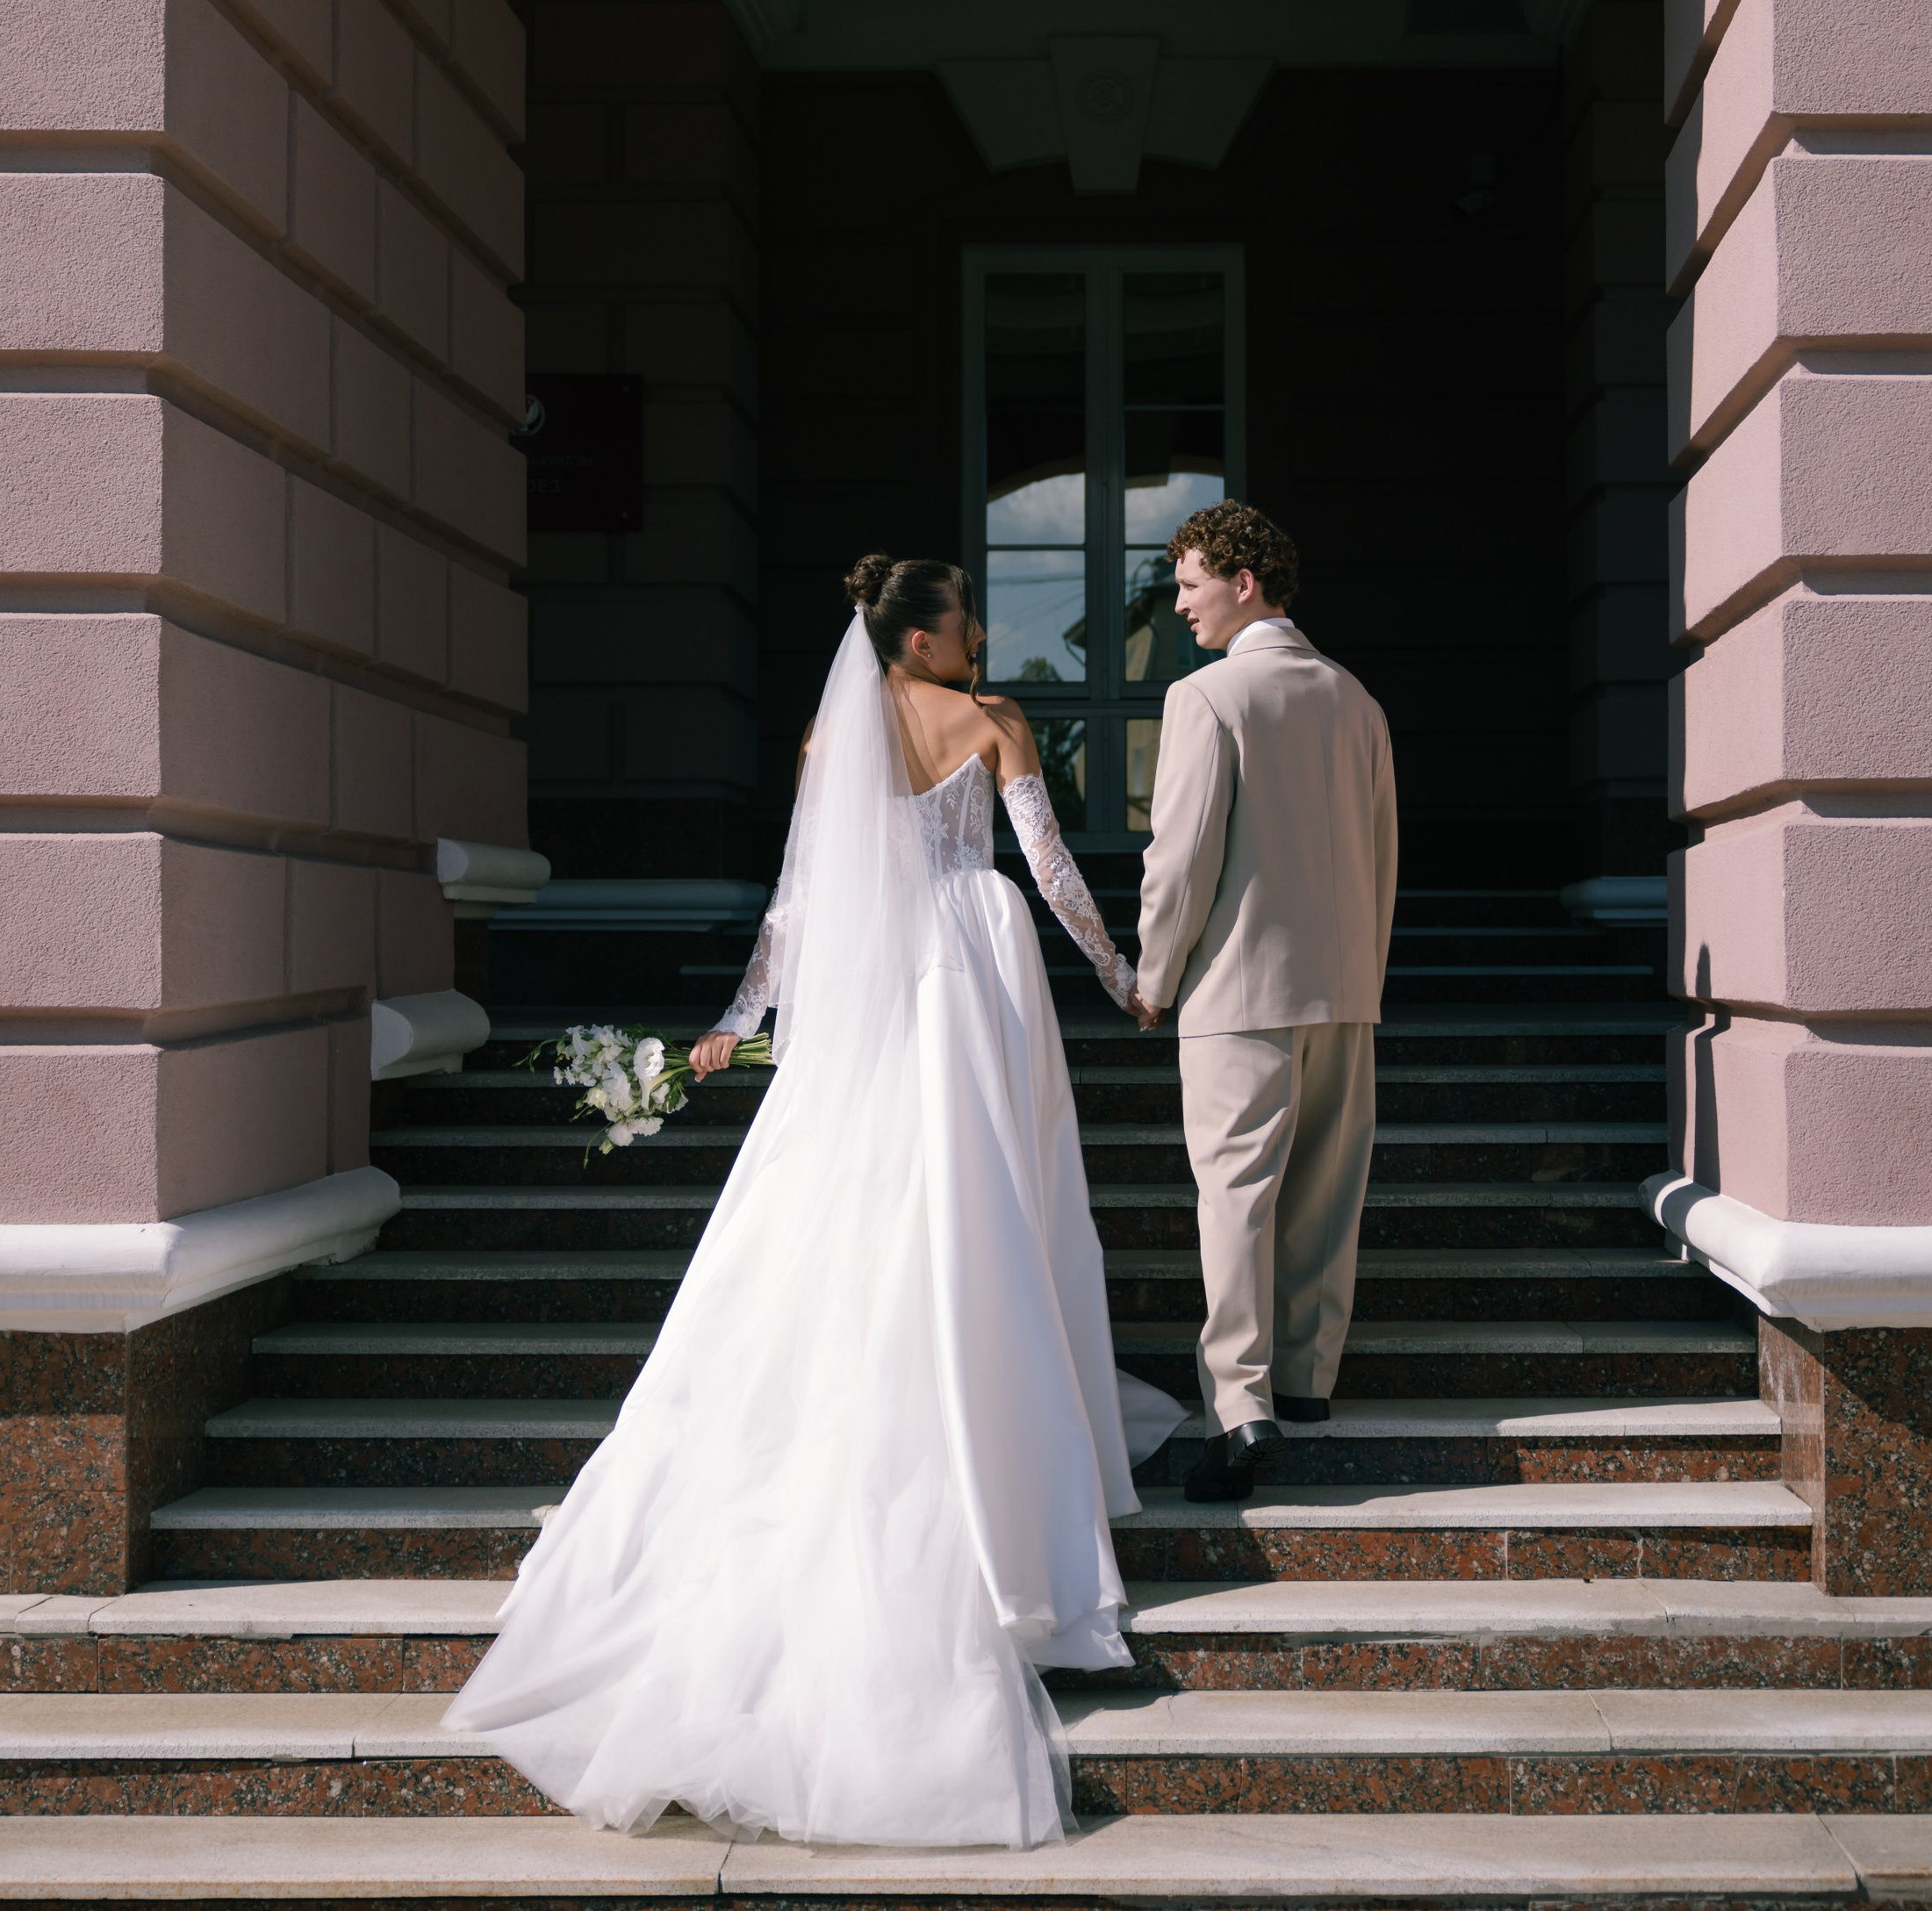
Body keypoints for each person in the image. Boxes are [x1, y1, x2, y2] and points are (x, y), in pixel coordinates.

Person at [447, 553, 1184, 1850]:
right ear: (918, 637)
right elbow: (1053, 870)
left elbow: (794, 905)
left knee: (869, 1203)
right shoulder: (995, 722)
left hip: (873, 994)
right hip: (973, 972)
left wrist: (737, 1020)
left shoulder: (828, 736)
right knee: (987, 1203)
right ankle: (1000, 1438)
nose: (980, 634)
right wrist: (1123, 973)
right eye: (965, 617)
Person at [1134, 498, 1396, 1504]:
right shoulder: (1356, 698)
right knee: (1327, 1195)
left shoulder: (1206, 698)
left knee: (1236, 1200)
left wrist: (1155, 977)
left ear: (1244, 583)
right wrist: (1362, 976)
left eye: (1191, 582)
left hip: (1237, 990)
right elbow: (1381, 855)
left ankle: (1240, 1409)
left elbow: (1181, 858)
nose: (1180, 602)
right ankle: (1308, 1376)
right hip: (1343, 988)